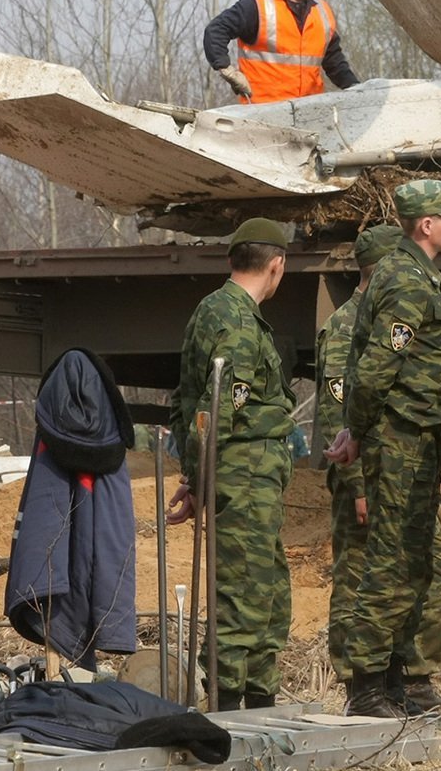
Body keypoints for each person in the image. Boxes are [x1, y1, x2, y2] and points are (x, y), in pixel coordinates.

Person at [323, 178, 441, 719]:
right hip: (399, 435)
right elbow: (377, 367)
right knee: (390, 564)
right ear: (425, 225)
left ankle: (391, 680)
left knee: (411, 565)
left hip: (416, 434)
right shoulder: (407, 281)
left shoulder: (415, 274)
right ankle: (366, 688)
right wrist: (357, 433)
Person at [164, 218, 297, 711]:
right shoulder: (238, 323)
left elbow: (187, 401)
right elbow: (216, 410)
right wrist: (201, 478)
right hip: (243, 475)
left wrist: (193, 476)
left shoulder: (214, 309)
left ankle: (259, 700)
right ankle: (227, 711)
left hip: (243, 475)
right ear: (276, 266)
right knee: (243, 596)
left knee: (268, 589)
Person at [202, 0, 360, 103]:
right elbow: (216, 31)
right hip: (262, 115)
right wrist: (227, 70)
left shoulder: (322, 12)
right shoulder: (257, 6)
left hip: (310, 115)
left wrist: (357, 90)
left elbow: (335, 63)